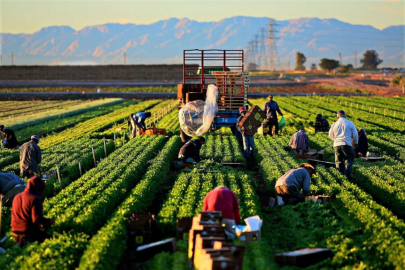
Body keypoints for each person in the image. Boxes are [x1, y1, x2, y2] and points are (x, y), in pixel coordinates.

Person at [11, 176, 55, 245]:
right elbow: (36, 219)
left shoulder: (17, 197)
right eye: (41, 190)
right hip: (28, 233)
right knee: (51, 239)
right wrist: (49, 221)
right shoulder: (34, 199)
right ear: (38, 188)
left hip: (15, 232)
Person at [329, 110, 358, 178]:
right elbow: (355, 134)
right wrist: (355, 143)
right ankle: (347, 175)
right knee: (349, 158)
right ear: (345, 116)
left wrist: (335, 140)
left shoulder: (334, 124)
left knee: (338, 161)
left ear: (337, 117)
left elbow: (330, 135)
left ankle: (340, 177)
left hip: (336, 144)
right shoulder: (350, 123)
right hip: (346, 143)